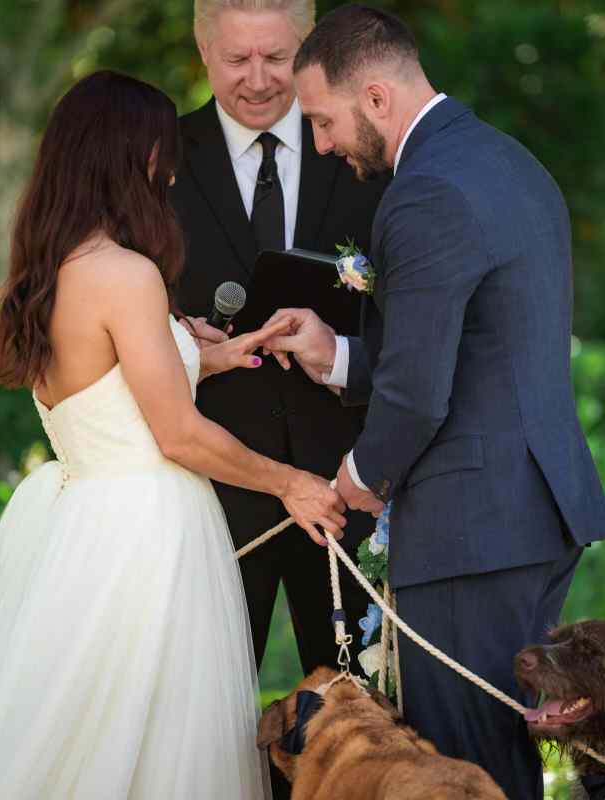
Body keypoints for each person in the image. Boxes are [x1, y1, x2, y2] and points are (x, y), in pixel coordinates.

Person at [0, 70, 344, 799]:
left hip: (84, 523)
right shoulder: (127, 275)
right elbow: (179, 436)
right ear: (130, 158)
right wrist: (292, 484)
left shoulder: (51, 268)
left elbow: (112, 392)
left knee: (72, 727)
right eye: (161, 155)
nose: (169, 173)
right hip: (146, 534)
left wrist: (217, 351)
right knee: (150, 740)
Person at [263, 6, 605, 798]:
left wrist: (358, 477)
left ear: (377, 98)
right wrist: (337, 355)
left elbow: (420, 397)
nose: (321, 144)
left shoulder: (423, 193)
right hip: (527, 509)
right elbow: (472, 352)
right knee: (491, 759)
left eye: (323, 120)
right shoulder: (509, 161)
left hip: (471, 526)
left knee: (466, 771)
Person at [170, 0, 385, 698]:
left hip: (348, 482)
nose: (259, 79)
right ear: (204, 52)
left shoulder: (364, 151)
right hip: (215, 489)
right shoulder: (159, 157)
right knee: (204, 708)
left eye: (278, 58)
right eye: (238, 59)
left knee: (363, 708)